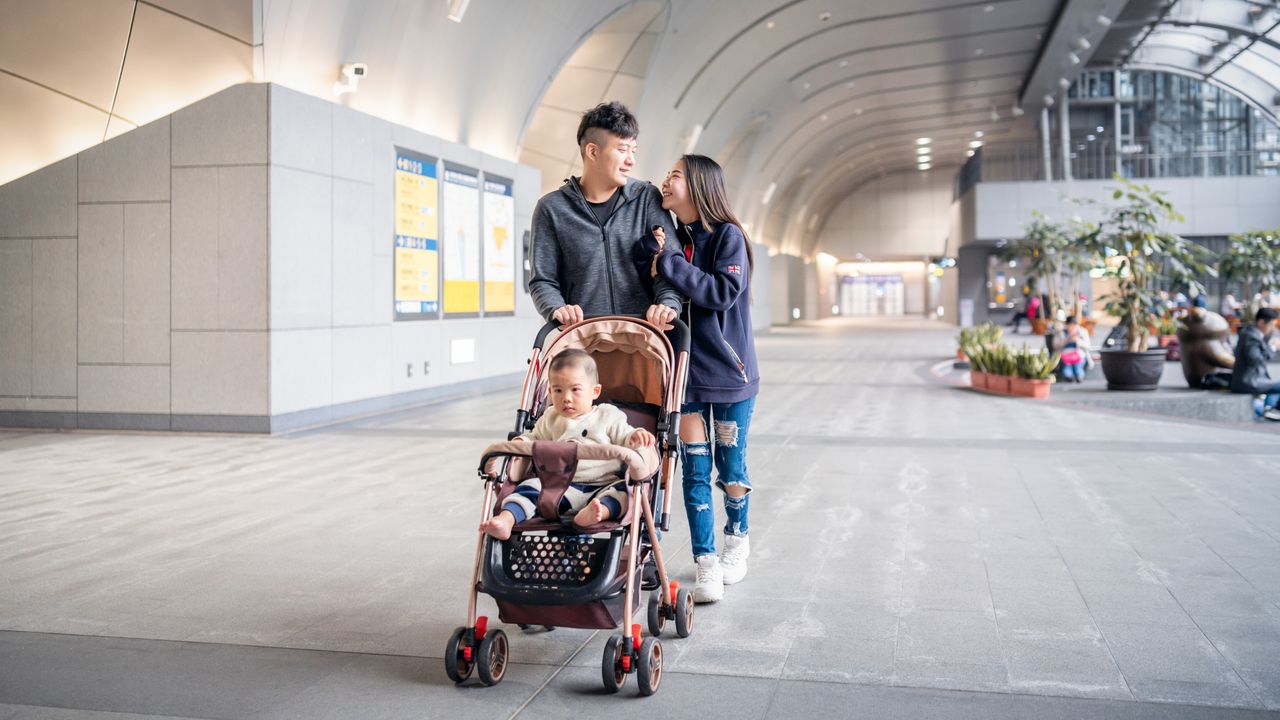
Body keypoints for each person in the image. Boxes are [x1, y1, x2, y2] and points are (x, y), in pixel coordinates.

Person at [635, 154, 759, 604]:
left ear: (702, 186)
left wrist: (667, 261)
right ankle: (705, 562)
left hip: (730, 376)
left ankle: (737, 542)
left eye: (676, 175)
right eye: (666, 174)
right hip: (686, 377)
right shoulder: (673, 238)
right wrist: (659, 254)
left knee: (730, 467)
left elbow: (720, 294)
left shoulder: (729, 238)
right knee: (693, 469)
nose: (666, 181)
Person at [528, 101, 681, 329]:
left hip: (643, 338)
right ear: (593, 151)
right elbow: (543, 279)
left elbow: (670, 264)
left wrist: (668, 304)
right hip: (582, 341)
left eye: (633, 150)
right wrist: (557, 308)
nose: (631, 160)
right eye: (622, 150)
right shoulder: (552, 209)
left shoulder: (646, 198)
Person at [480, 350, 655, 540]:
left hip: (604, 484)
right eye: (558, 390)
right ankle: (506, 520)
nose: (566, 398)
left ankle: (597, 512)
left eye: (575, 389)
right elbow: (535, 436)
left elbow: (625, 435)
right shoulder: (551, 417)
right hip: (557, 487)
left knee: (624, 494)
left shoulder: (607, 415)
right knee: (528, 489)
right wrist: (523, 442)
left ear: (595, 391)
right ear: (549, 392)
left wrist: (636, 436)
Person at [1230, 307, 1280, 421]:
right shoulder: (1251, 336)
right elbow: (1255, 360)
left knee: (1274, 385)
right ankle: (1271, 409)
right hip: (1248, 381)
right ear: (1261, 322)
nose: (1272, 328)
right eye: (1271, 324)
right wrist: (1273, 347)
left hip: (1249, 379)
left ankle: (1268, 408)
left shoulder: (1251, 333)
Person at [1059, 316, 1089, 383]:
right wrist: (1067, 340)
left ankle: (1079, 375)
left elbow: (1087, 345)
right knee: (1067, 365)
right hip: (1066, 354)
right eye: (1070, 325)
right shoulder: (1062, 332)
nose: (1072, 327)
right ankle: (1068, 376)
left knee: (1077, 364)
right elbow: (1057, 345)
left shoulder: (1082, 331)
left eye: (1073, 325)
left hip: (1078, 354)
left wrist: (1078, 341)